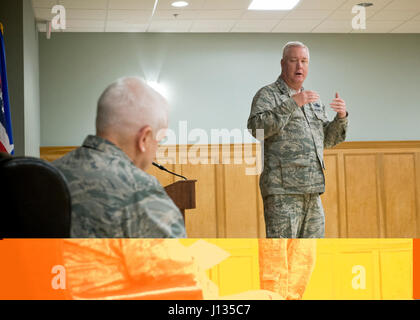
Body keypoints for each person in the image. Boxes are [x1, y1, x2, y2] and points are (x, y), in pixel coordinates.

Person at [53, 77, 185, 238]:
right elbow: (175, 260)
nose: (157, 149)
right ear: (144, 138)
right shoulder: (141, 190)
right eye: (160, 139)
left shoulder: (48, 175)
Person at [248, 41, 348, 238]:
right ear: (283, 64)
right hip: (282, 191)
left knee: (308, 256)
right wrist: (292, 104)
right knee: (280, 256)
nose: (299, 66)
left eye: (304, 61)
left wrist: (341, 118)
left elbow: (326, 140)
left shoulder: (313, 100)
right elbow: (257, 128)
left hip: (312, 190)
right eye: (293, 60)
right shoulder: (268, 94)